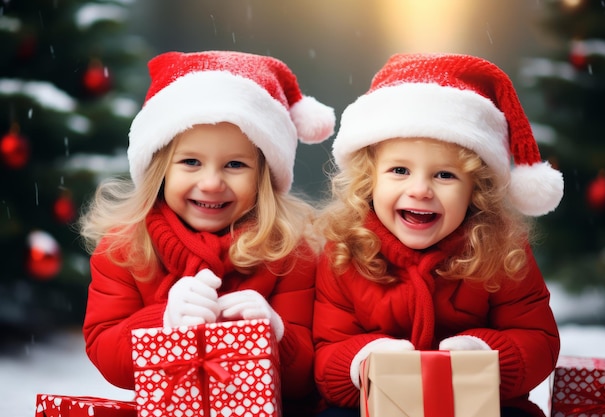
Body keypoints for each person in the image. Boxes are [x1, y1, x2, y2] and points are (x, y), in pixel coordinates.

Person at [79, 50, 335, 416]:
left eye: (235, 164)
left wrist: (275, 334)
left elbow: (307, 377)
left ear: (264, 177)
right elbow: (107, 353)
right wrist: (163, 320)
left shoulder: (290, 252)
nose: (211, 183)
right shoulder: (126, 247)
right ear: (160, 169)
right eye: (191, 162)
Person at [313, 53, 564, 417]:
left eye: (445, 175)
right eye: (399, 170)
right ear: (369, 181)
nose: (420, 190)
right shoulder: (344, 250)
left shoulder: (501, 251)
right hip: (375, 404)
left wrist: (487, 356)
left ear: (476, 191)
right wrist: (363, 360)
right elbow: (327, 351)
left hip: (479, 405)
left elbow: (537, 339)